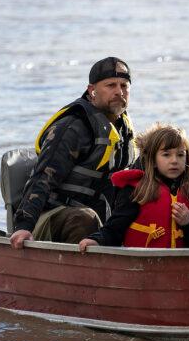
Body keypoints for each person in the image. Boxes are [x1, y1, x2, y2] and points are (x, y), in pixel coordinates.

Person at [9, 57, 136, 249]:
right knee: (85, 218)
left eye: (124, 86)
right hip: (51, 217)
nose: (119, 92)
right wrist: (24, 226)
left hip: (101, 221)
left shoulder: (123, 130)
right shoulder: (72, 127)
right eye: (110, 85)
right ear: (92, 90)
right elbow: (42, 178)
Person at [79, 124, 189, 251]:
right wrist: (97, 240)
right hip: (142, 264)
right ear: (153, 160)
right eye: (166, 154)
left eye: (180, 155)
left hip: (182, 266)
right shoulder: (136, 190)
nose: (174, 160)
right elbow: (115, 228)